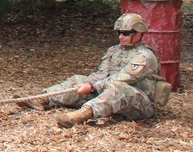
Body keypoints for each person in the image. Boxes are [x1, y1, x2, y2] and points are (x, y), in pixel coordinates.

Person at [18, 12, 167, 127]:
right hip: (111, 92)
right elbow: (101, 74)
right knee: (78, 79)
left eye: (126, 33)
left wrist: (92, 87)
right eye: (119, 33)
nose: (121, 37)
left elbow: (122, 78)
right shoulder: (114, 51)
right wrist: (88, 84)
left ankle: (83, 114)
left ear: (139, 34)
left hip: (140, 104)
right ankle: (43, 99)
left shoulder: (145, 57)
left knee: (118, 87)